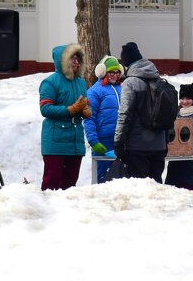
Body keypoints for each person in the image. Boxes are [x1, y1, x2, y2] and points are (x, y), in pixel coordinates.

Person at [113, 41, 167, 182]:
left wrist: (118, 142)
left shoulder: (130, 82)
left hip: (137, 146)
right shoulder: (158, 79)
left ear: (126, 64)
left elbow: (125, 114)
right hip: (159, 147)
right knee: (156, 189)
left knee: (139, 191)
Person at [38, 43, 89, 190]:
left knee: (70, 185)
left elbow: (85, 103)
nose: (76, 62)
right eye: (72, 59)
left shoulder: (81, 82)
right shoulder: (50, 82)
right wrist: (70, 110)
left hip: (75, 142)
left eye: (78, 59)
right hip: (55, 142)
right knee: (52, 184)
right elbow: (45, 108)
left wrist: (86, 110)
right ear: (63, 61)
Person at [84, 55, 122, 183]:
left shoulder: (122, 89)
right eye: (111, 72)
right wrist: (94, 141)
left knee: (119, 179)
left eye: (117, 72)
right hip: (103, 143)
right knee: (101, 179)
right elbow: (89, 118)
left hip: (120, 142)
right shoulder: (94, 91)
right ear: (103, 72)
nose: (115, 75)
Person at [164, 83, 193, 191]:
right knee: (174, 190)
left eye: (188, 98)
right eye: (182, 98)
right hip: (175, 160)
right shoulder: (177, 113)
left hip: (191, 159)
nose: (184, 101)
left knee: (190, 190)